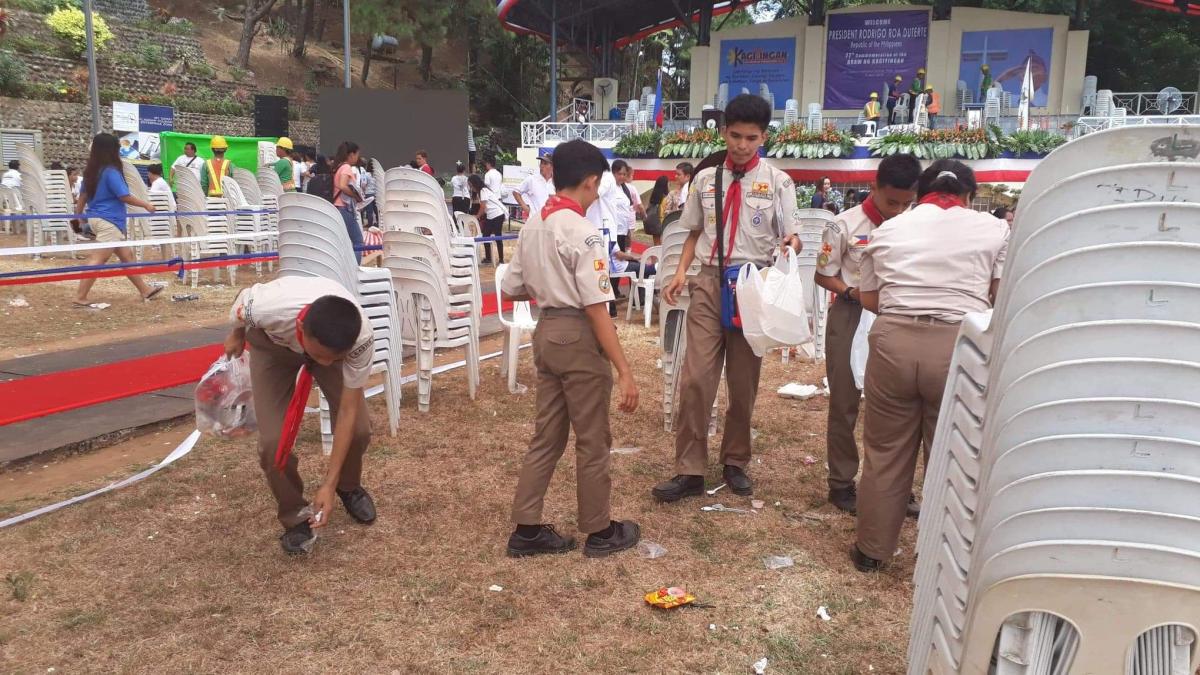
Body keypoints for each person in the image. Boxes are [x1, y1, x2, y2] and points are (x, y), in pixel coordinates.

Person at [851, 160, 1009, 573]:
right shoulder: (995, 230)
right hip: (960, 345)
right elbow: (1000, 295)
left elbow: (871, 299)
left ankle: (872, 549)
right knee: (955, 455)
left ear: (919, 194)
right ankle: (948, 557)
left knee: (885, 450)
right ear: (969, 196)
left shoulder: (888, 230)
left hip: (894, 342)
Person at [650, 94, 803, 503]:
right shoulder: (704, 180)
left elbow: (793, 235)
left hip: (751, 286)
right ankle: (690, 469)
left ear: (763, 137)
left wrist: (792, 242)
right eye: (734, 136)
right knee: (696, 378)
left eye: (750, 137)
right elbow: (694, 234)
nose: (741, 145)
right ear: (723, 132)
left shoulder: (779, 182)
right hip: (707, 282)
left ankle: (735, 461)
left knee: (742, 382)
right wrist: (681, 272)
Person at [500, 138, 641, 558]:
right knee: (592, 439)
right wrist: (624, 370)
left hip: (546, 333)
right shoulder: (583, 232)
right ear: (591, 181)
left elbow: (511, 287)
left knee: (547, 436)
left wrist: (547, 281)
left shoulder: (533, 225)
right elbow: (598, 309)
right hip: (579, 336)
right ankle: (599, 530)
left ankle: (526, 528)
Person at [224, 278, 377, 554]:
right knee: (272, 444)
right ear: (302, 330)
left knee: (358, 430)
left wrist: (328, 485)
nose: (326, 365)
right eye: (320, 356)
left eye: (334, 359)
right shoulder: (268, 308)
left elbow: (348, 410)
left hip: (325, 344)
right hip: (274, 347)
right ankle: (295, 515)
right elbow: (241, 299)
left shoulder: (360, 339)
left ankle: (348, 486)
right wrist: (237, 333)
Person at [815, 153, 921, 515]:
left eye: (906, 203)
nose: (898, 210)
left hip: (898, 317)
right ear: (874, 186)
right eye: (892, 201)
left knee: (896, 407)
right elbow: (823, 273)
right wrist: (853, 294)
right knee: (845, 401)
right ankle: (842, 482)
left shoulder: (915, 225)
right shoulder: (844, 225)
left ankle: (893, 485)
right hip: (852, 313)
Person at [72, 133, 162, 306]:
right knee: (99, 259)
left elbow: (82, 196)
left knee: (126, 256)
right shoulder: (111, 171)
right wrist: (146, 205)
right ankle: (80, 296)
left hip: (97, 218)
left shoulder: (91, 171)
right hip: (109, 220)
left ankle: (145, 290)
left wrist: (79, 217)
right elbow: (124, 196)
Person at [332, 141, 365, 262]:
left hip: (337, 207)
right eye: (357, 155)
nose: (357, 158)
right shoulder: (346, 168)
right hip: (344, 208)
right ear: (351, 154)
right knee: (358, 240)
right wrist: (355, 196)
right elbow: (342, 185)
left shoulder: (338, 167)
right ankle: (355, 269)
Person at [470, 173, 506, 265]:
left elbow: (483, 207)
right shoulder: (481, 192)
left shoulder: (483, 190)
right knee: (486, 235)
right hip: (490, 216)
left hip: (497, 214)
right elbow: (484, 208)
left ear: (475, 184)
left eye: (470, 185)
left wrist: (477, 216)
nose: (470, 187)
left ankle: (501, 259)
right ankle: (488, 258)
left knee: (498, 236)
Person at [611, 159, 644, 252]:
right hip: (613, 229)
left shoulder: (624, 188)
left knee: (621, 253)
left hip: (623, 229)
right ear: (613, 173)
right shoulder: (610, 187)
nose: (622, 176)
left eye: (624, 174)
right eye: (619, 174)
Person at [513, 154, 555, 221]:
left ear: (552, 166)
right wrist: (526, 208)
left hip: (551, 221)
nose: (542, 166)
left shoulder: (557, 182)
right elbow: (516, 192)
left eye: (545, 164)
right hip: (535, 220)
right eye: (541, 163)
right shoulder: (532, 179)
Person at [643, 175, 670, 245]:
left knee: (656, 243)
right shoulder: (666, 197)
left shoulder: (653, 196)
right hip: (662, 222)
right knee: (663, 244)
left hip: (654, 222)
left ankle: (655, 256)